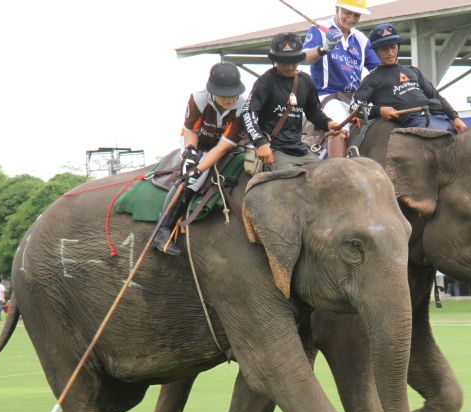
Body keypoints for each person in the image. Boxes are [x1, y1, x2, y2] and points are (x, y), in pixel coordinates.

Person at [154, 62, 246, 255]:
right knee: (190, 180)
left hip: (224, 146)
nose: (230, 99)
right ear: (213, 90)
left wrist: (200, 167)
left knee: (200, 171)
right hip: (196, 141)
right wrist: (191, 155)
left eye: (233, 94)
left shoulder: (242, 106)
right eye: (224, 94)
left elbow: (223, 147)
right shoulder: (199, 98)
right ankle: (162, 230)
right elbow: (190, 130)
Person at [242, 32, 342, 171]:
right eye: (284, 61)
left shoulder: (306, 81)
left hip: (300, 148)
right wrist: (260, 143)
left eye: (294, 61)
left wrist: (328, 123)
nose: (289, 66)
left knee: (326, 175)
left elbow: (313, 111)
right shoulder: (266, 81)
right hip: (274, 149)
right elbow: (248, 112)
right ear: (275, 60)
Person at [350, 24, 467, 133]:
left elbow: (435, 96)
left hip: (440, 116)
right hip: (416, 121)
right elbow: (354, 107)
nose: (390, 53)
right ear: (376, 52)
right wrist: (379, 111)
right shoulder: (371, 79)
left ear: (398, 47)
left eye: (393, 47)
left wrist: (455, 117)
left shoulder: (413, 70)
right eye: (384, 49)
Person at [302, 0, 379, 127]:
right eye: (348, 12)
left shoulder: (362, 39)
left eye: (356, 15)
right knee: (341, 127)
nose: (351, 18)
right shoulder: (318, 29)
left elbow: (378, 70)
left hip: (354, 100)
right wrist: (324, 47)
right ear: (337, 9)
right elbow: (304, 58)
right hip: (326, 96)